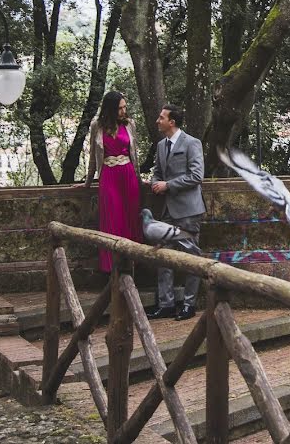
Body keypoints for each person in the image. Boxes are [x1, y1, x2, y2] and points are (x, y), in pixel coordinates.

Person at [147, 104, 206, 321]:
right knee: (163, 256)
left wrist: (168, 185)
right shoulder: (161, 145)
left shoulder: (192, 143)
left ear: (172, 122)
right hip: (166, 211)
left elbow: (197, 175)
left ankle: (189, 304)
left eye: (161, 117)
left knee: (191, 257)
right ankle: (166, 304)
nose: (157, 120)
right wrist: (155, 183)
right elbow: (157, 172)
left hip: (188, 210)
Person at [84, 91, 142, 273]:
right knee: (112, 218)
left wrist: (140, 180)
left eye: (125, 107)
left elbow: (135, 156)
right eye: (119, 108)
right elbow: (93, 157)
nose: (124, 111)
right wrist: (87, 183)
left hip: (128, 175)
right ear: (110, 109)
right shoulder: (97, 126)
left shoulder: (130, 124)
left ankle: (132, 265)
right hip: (108, 176)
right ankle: (112, 269)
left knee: (130, 218)